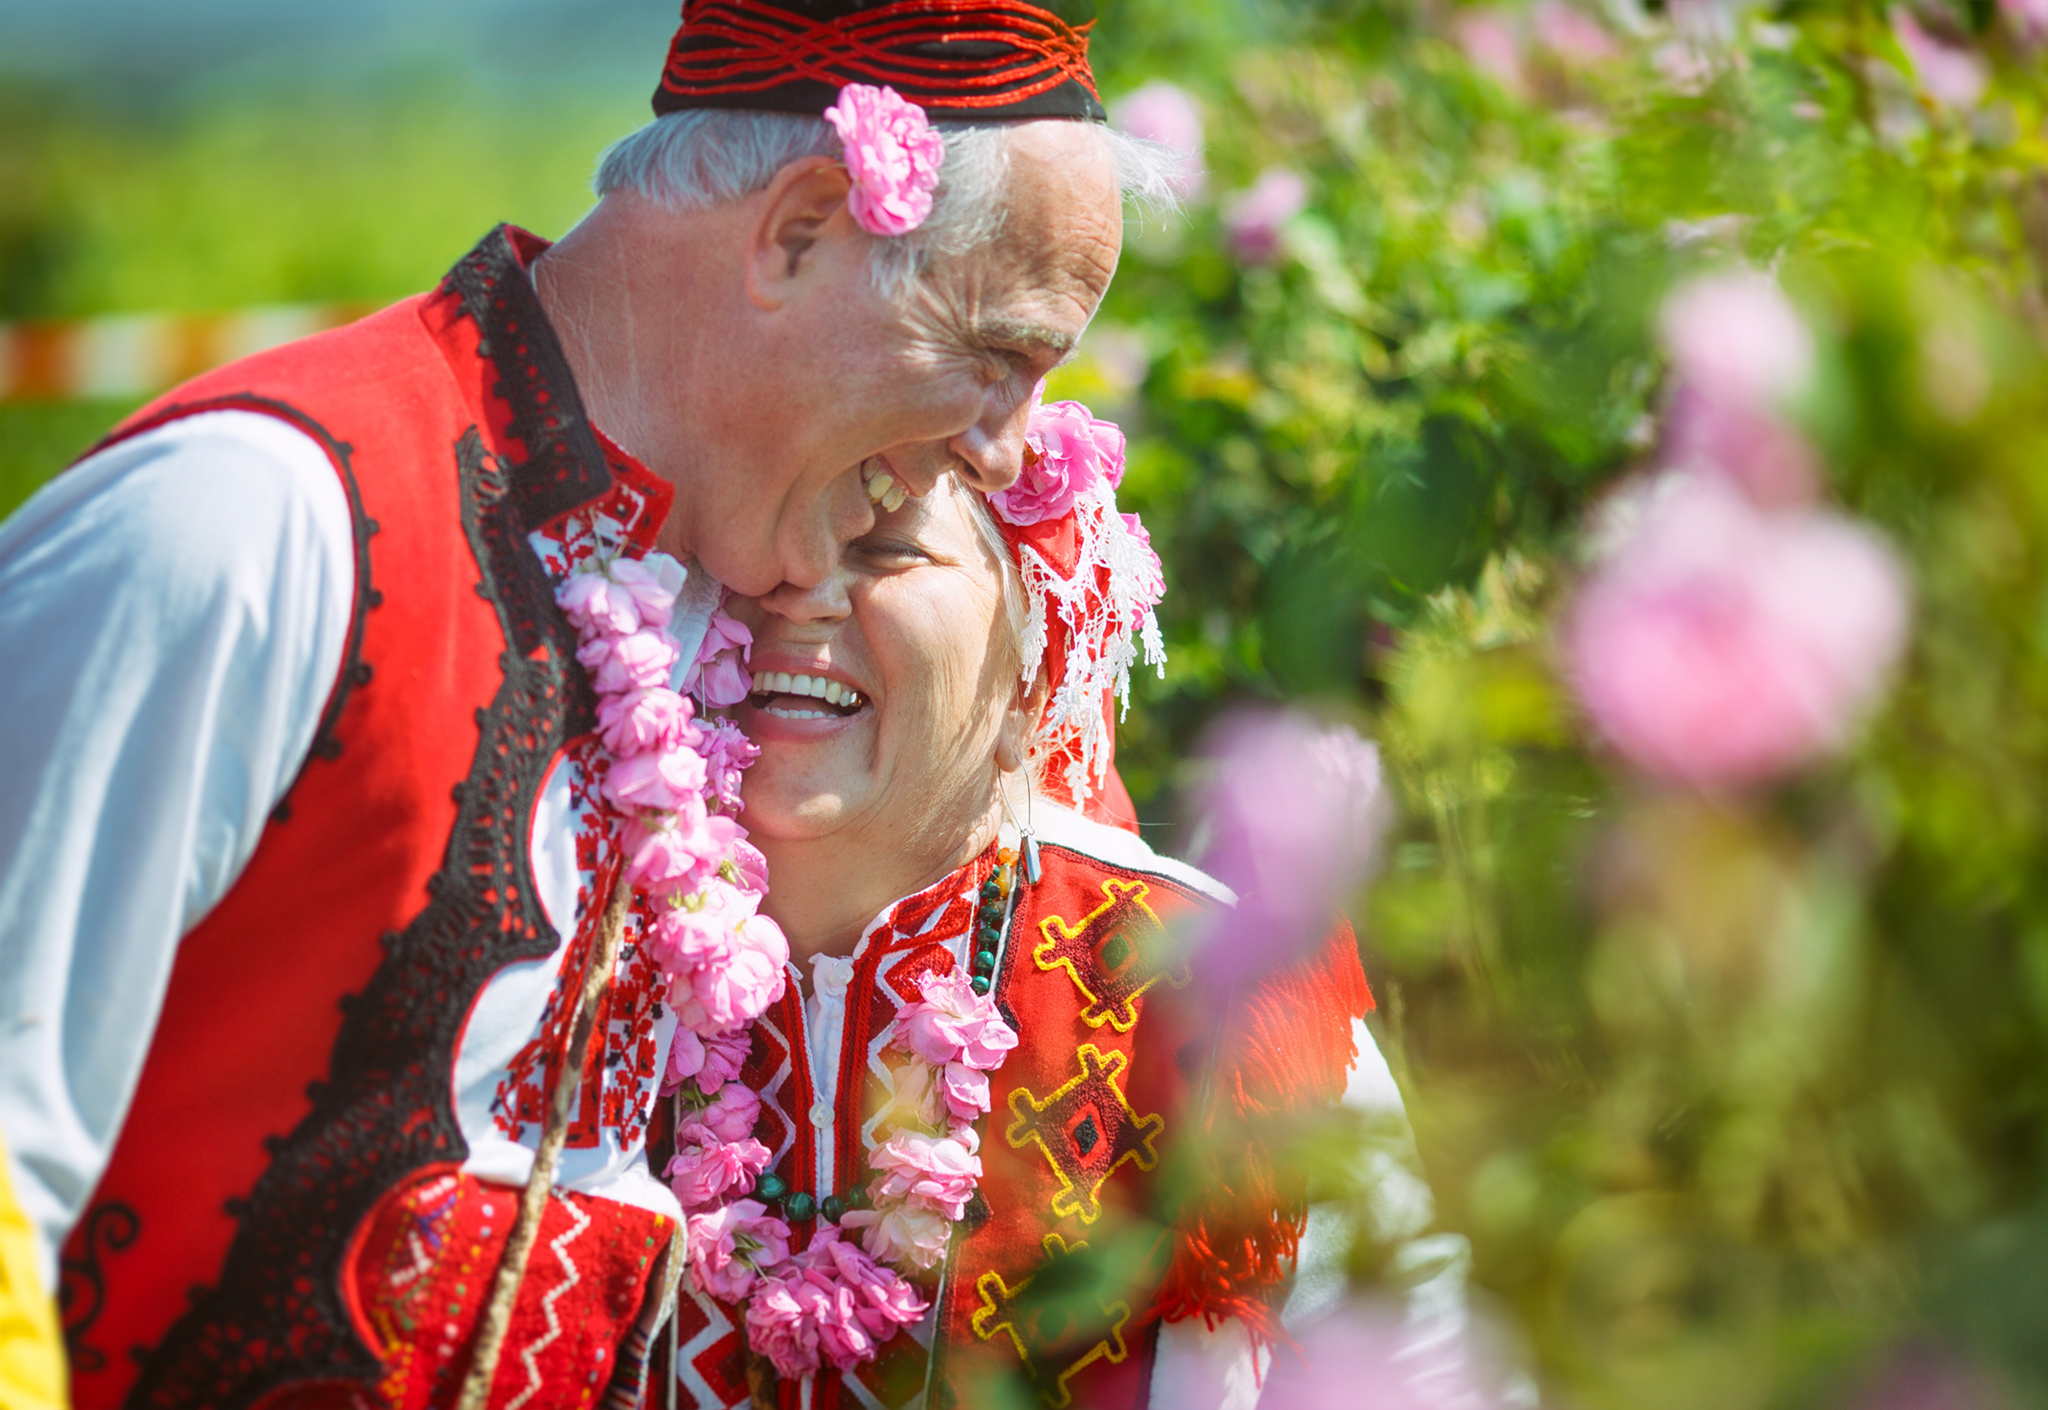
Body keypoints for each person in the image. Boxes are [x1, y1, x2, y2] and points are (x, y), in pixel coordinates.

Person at [0, 4, 1184, 1407]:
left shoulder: (719, 608)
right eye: (996, 354)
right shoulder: (259, 521)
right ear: (801, 230)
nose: (1004, 449)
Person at [657, 397, 1466, 1409]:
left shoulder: (1212, 980)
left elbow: (1418, 1367)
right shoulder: (572, 948)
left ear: (1028, 680)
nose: (801, 588)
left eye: (885, 547)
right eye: (767, 531)